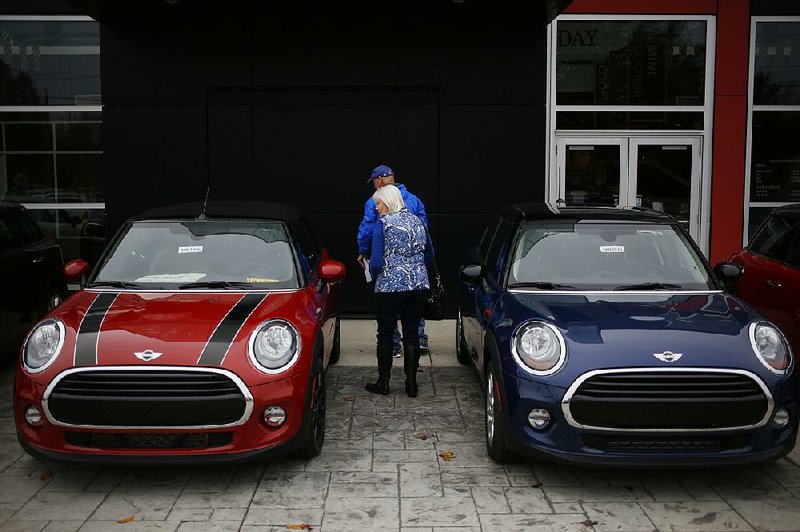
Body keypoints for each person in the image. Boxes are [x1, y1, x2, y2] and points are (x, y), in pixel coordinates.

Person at [357, 164, 430, 358]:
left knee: (387, 320)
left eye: (374, 181)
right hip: (416, 275)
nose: (374, 186)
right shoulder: (414, 200)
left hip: (390, 274)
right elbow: (425, 231)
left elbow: (367, 228)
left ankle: (394, 347)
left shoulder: (376, 203)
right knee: (413, 323)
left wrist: (364, 252)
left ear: (380, 179)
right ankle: (418, 342)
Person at [365, 184, 431, 397]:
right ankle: (411, 385)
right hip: (418, 285)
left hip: (390, 287)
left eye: (379, 203)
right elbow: (429, 254)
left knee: (385, 333)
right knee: (411, 332)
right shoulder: (418, 221)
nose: (377, 208)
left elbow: (375, 262)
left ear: (389, 202)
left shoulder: (382, 225)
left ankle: (383, 383)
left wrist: (375, 276)